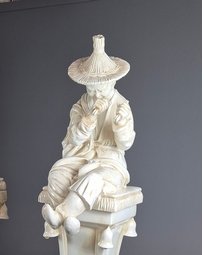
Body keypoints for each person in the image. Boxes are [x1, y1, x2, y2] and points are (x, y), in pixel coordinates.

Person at [42, 35, 135, 235]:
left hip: (110, 164)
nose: (95, 94)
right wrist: (87, 122)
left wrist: (120, 125)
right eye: (90, 89)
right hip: (81, 158)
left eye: (99, 89)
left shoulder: (121, 107)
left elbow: (126, 144)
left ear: (112, 83)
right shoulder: (81, 105)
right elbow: (73, 138)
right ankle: (72, 220)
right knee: (57, 174)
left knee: (94, 179)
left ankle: (61, 215)